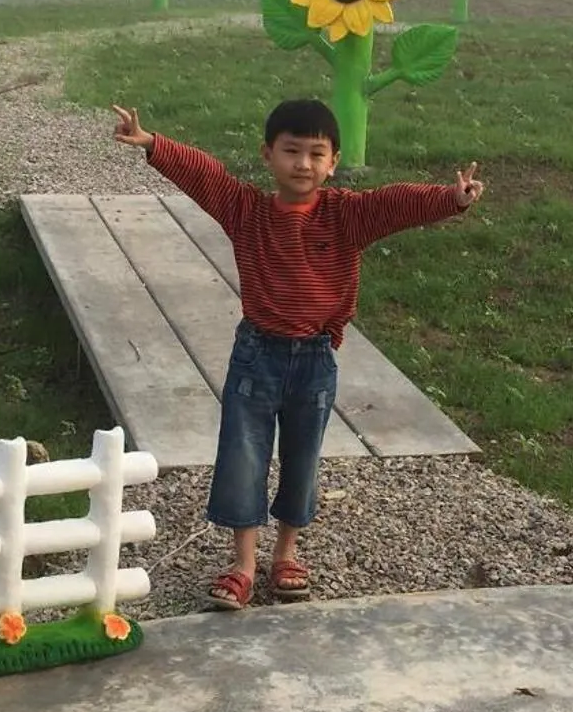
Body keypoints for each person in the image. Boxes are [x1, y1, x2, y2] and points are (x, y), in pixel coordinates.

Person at [112, 98, 484, 609]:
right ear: (268, 155)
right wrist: (155, 144)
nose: (302, 164)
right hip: (255, 358)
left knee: (302, 458)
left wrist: (452, 199)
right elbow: (207, 175)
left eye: (316, 153)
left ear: (333, 162)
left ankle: (286, 553)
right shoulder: (247, 212)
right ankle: (243, 564)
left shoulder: (347, 215)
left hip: (314, 360)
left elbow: (395, 203)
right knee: (243, 455)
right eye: (291, 151)